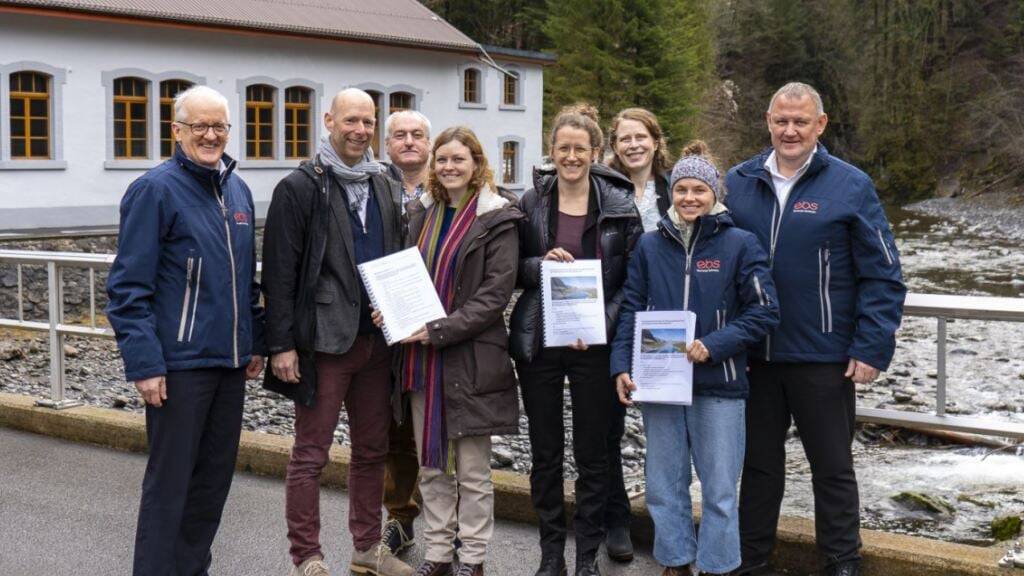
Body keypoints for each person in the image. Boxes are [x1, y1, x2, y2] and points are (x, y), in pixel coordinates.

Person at [725, 82, 906, 576]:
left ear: (819, 125)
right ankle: (752, 558)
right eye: (781, 120)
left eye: (800, 122)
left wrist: (871, 346)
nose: (789, 130)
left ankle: (843, 562)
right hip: (754, 355)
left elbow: (884, 273)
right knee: (759, 469)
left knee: (832, 469)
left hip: (824, 358)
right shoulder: (737, 182)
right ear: (767, 120)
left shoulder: (850, 185)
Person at [106, 85, 265, 576]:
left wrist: (254, 341)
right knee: (169, 488)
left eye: (220, 126)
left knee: (211, 486)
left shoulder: (237, 190)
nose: (212, 135)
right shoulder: (154, 189)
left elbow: (245, 278)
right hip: (179, 368)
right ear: (177, 131)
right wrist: (146, 364)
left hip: (229, 365)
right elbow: (128, 287)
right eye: (200, 126)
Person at [261, 88, 412, 576]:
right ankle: (307, 555)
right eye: (351, 120)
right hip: (324, 344)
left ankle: (367, 549)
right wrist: (280, 344)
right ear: (329, 120)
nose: (360, 131)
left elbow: (396, 260)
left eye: (368, 123)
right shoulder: (300, 187)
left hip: (376, 344)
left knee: (372, 451)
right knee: (310, 455)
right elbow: (280, 273)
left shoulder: (386, 183)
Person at [610, 141, 780, 576]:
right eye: (682, 189)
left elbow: (765, 311)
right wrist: (621, 366)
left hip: (719, 384)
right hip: (661, 383)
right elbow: (631, 308)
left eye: (698, 190)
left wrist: (716, 343)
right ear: (674, 192)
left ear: (714, 194)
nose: (689, 198)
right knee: (664, 486)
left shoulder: (740, 244)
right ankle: (675, 560)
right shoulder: (650, 246)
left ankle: (719, 566)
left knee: (721, 489)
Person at [510, 103, 643, 576]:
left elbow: (634, 282)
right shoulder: (529, 202)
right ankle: (551, 554)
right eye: (563, 148)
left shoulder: (621, 206)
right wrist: (541, 264)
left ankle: (586, 555)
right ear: (552, 151)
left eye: (579, 149)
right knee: (545, 452)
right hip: (542, 341)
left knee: (593, 454)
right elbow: (513, 267)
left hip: (596, 345)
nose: (571, 156)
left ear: (595, 152)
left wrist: (602, 325)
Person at [384, 126, 522, 576]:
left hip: (470, 358)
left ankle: (473, 559)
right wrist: (390, 311)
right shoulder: (423, 215)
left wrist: (437, 329)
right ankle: (440, 554)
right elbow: (405, 277)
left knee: (473, 472)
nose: (448, 167)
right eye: (442, 160)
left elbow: (493, 296)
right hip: (423, 362)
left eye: (458, 159)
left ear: (476, 163)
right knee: (431, 467)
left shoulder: (498, 218)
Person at [600, 106, 675, 563]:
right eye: (624, 138)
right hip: (614, 318)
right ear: (614, 145)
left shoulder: (678, 190)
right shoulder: (605, 191)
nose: (633, 145)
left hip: (669, 324)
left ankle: (671, 524)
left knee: (667, 429)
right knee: (609, 427)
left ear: (655, 140)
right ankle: (616, 518)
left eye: (640, 136)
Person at [379, 109, 433, 556]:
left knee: (436, 427)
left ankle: (448, 522)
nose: (409, 141)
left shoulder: (450, 186)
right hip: (384, 328)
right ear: (387, 143)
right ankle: (400, 516)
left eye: (417, 134)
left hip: (436, 327)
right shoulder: (375, 187)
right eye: (400, 135)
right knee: (393, 427)